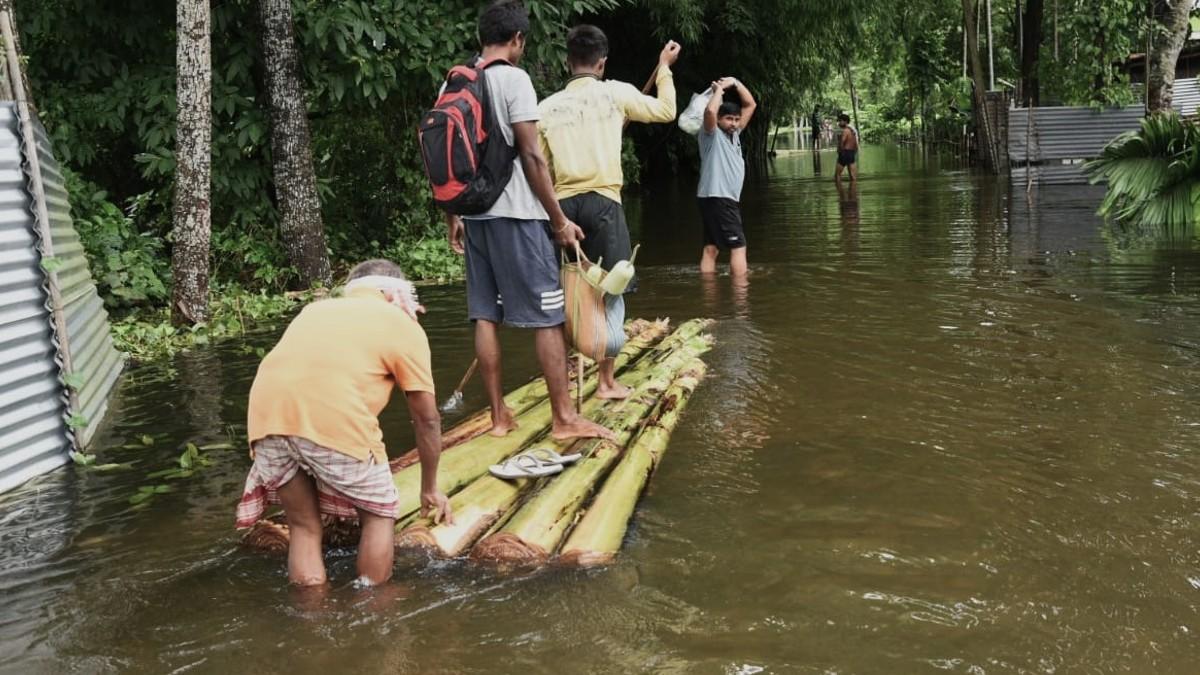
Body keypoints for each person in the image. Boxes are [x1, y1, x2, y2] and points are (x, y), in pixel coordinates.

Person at [444, 0, 612, 440]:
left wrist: (454, 214)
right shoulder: (514, 80)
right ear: (517, 39)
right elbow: (533, 156)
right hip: (517, 215)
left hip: (475, 215)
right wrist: (557, 219)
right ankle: (564, 419)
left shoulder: (457, 79)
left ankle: (499, 417)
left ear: (483, 37)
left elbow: (447, 156)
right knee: (548, 318)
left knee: (484, 314)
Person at [234, 259, 453, 587]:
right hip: (331, 417)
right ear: (397, 294)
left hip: (265, 417)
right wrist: (429, 487)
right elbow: (426, 419)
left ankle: (312, 616)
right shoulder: (401, 323)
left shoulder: (314, 310)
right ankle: (371, 607)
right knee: (379, 515)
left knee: (305, 528)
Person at [537, 25, 680, 399]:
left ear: (568, 62)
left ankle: (568, 376)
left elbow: (540, 167)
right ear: (602, 63)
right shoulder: (616, 93)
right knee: (610, 289)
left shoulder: (546, 108)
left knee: (567, 288)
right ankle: (605, 382)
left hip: (562, 208)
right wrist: (664, 67)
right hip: (603, 203)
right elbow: (667, 110)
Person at [698, 77, 756, 276]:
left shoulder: (736, 135)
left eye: (736, 119)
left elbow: (751, 104)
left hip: (714, 198)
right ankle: (741, 300)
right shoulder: (711, 134)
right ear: (720, 119)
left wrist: (736, 83)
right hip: (720, 198)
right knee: (739, 246)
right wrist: (718, 92)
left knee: (711, 248)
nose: (734, 123)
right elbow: (710, 112)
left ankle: (709, 295)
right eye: (729, 119)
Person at [835, 112, 859, 182]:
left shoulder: (845, 131)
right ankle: (853, 191)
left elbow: (842, 142)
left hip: (845, 152)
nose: (839, 123)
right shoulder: (852, 130)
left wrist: (840, 151)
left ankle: (840, 191)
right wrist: (855, 151)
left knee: (837, 175)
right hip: (851, 153)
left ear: (845, 121)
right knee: (852, 176)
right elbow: (855, 143)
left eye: (840, 121)